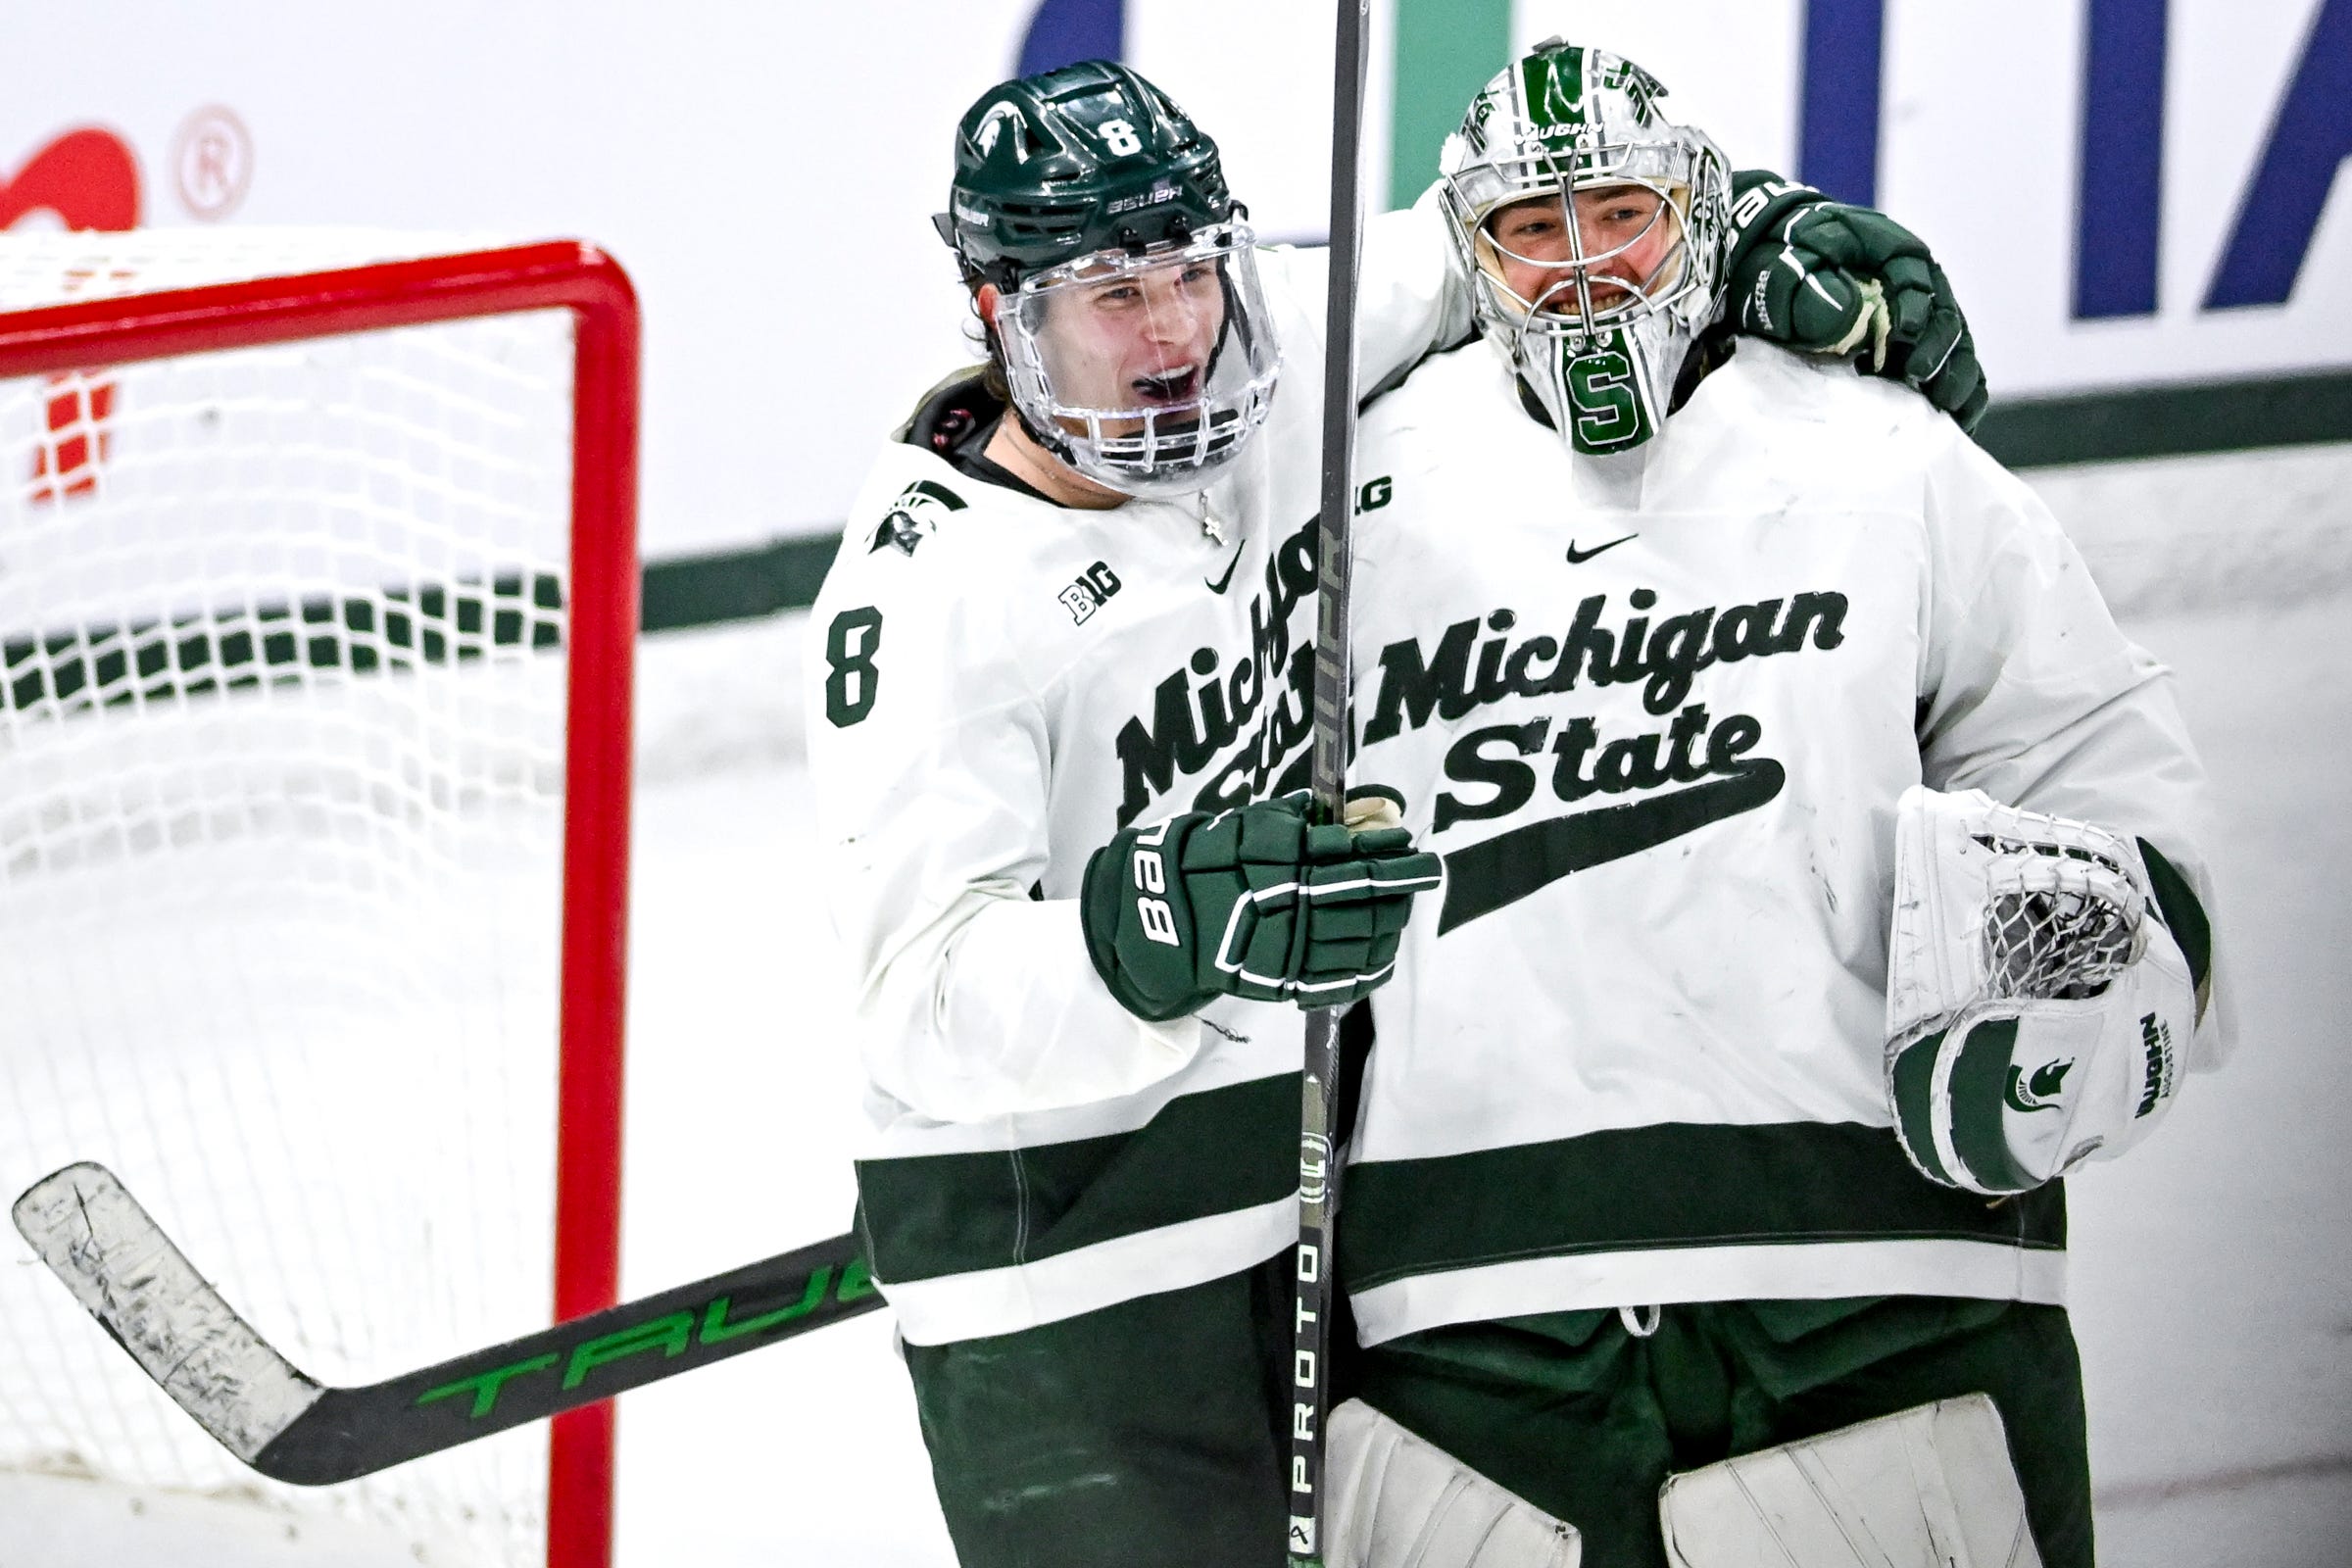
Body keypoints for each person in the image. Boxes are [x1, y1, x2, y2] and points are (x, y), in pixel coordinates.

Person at [806, 57, 1999, 1568]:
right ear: (998, 317)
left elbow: (1481, 235)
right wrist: (1152, 933)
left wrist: (1750, 229)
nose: (1172, 336)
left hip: (1318, 1214)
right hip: (1071, 1291)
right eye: (1111, 299)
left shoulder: (1268, 353)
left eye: (1188, 273)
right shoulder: (925, 604)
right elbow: (918, 998)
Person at [1326, 39, 2228, 1568]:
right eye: (1528, 231)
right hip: (1471, 1339)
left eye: (1621, 212)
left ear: (1708, 212)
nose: (1582, 270)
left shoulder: (1882, 448)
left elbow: (2085, 733)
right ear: (1465, 253)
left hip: (1883, 1297)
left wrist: (2112, 962)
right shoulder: (1350, 491)